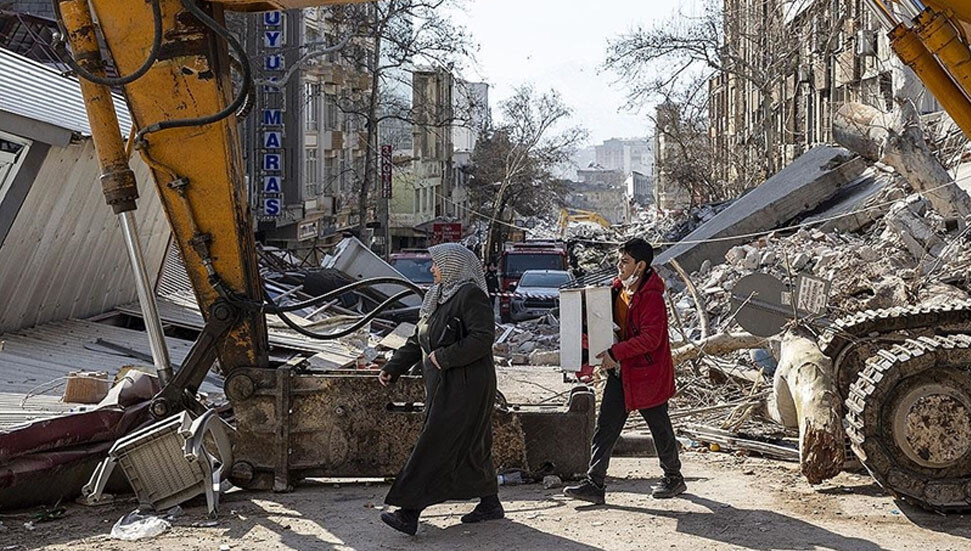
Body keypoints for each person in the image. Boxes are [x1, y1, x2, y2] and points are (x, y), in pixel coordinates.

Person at [377, 243, 503, 535]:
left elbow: (483, 338)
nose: (432, 269)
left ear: (453, 266)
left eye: (437, 264)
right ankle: (490, 502)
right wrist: (393, 367)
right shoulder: (436, 296)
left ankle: (409, 512)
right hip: (443, 384)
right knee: (473, 444)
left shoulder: (470, 295)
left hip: (467, 385)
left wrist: (444, 357)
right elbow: (419, 338)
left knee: (435, 444)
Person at [564, 237, 685, 505]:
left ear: (640, 266)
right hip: (622, 372)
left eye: (625, 262)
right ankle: (594, 483)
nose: (620, 266)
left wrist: (614, 353)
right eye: (619, 260)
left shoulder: (651, 297)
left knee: (659, 426)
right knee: (605, 426)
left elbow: (650, 339)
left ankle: (673, 477)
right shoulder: (619, 289)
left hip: (646, 374)